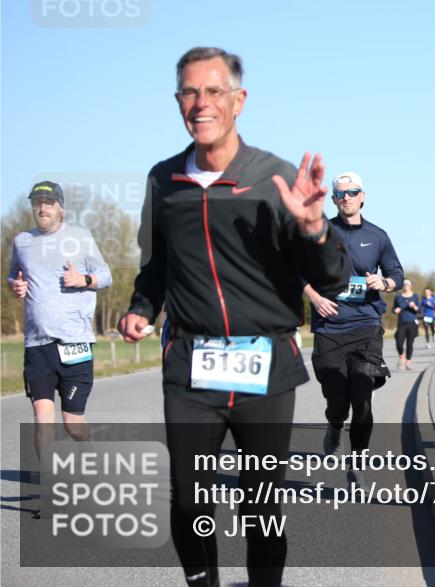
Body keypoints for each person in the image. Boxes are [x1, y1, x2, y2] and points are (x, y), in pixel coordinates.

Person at [118, 47, 350, 587]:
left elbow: (333, 278)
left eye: (214, 91)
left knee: (262, 508)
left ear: (238, 100)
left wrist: (315, 227)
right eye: (189, 93)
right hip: (191, 365)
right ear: (179, 102)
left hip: (264, 365)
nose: (201, 104)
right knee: (188, 499)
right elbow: (154, 266)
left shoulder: (275, 179)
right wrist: (140, 309)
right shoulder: (163, 181)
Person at [304, 171, 403, 472]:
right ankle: (335, 424)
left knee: (362, 396)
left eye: (353, 192)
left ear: (363, 196)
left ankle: (358, 459)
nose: (346, 197)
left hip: (365, 326)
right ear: (333, 199)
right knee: (337, 402)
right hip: (330, 327)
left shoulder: (377, 236)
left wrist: (383, 282)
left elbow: (397, 275)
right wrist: (316, 298)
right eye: (341, 193)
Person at [7, 180, 112, 462]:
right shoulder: (22, 241)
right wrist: (14, 287)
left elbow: (106, 276)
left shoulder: (80, 237)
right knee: (43, 418)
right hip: (37, 345)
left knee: (72, 424)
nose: (42, 207)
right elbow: (13, 276)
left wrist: (84, 279)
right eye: (37, 202)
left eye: (48, 202)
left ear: (61, 209)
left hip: (75, 343)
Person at [392, 279, 420, 369]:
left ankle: (408, 362)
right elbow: (393, 309)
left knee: (409, 344)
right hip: (402, 322)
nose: (406, 286)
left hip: (412, 322)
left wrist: (415, 307)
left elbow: (419, 310)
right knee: (399, 342)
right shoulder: (398, 297)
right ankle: (401, 357)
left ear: (410, 285)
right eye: (404, 284)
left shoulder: (415, 296)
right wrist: (396, 310)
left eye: (407, 284)